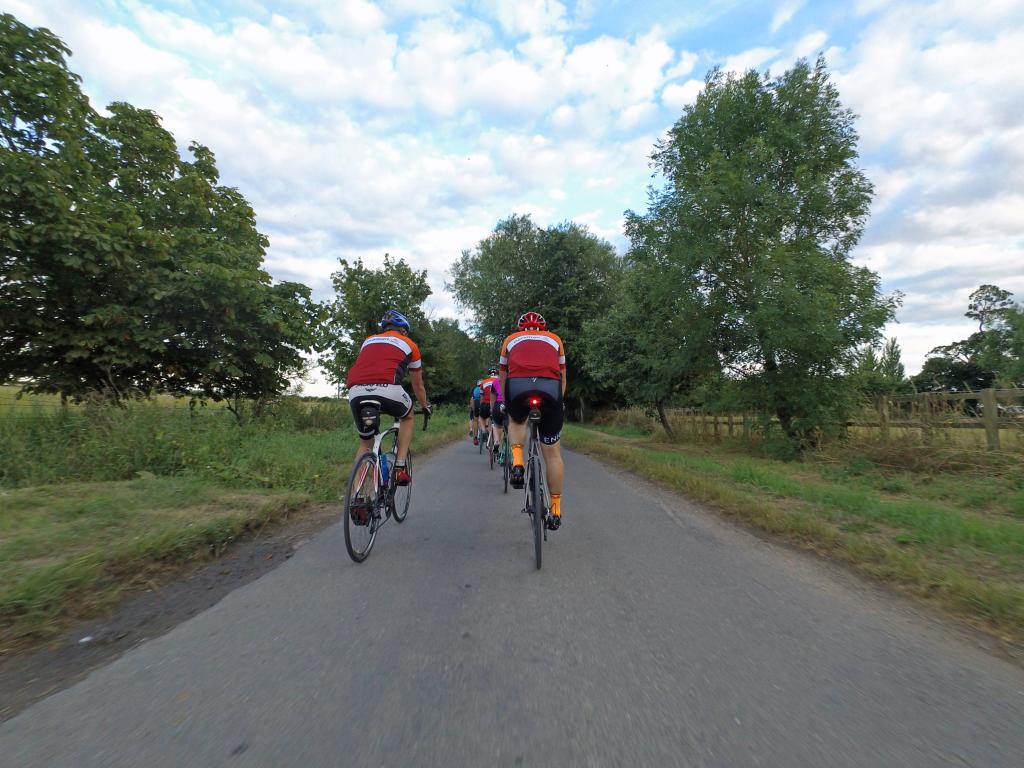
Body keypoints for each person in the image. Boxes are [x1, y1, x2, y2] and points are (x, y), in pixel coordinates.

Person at [346, 310, 431, 486]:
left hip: (355, 391)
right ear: (404, 330)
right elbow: (418, 385)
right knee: (407, 416)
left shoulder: (368, 340)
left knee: (365, 443)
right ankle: (400, 467)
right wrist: (425, 405)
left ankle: (356, 495)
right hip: (388, 389)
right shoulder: (410, 344)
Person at [498, 311, 566, 529]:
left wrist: (507, 401)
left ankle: (518, 463)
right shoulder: (555, 339)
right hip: (550, 387)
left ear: (521, 328)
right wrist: (558, 401)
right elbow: (563, 375)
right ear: (542, 328)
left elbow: (502, 375)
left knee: (517, 421)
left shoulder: (510, 339)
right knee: (553, 454)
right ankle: (555, 511)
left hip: (518, 386)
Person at [480, 366, 505, 460]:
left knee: (494, 423)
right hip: (509, 406)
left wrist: (491, 409)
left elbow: (490, 398)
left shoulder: (487, 382)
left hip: (495, 405)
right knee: (509, 426)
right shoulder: (513, 381)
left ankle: (494, 439)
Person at [469, 378, 483, 444]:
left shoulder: (475, 389)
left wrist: (473, 408)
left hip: (476, 403)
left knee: (475, 421)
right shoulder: (484, 388)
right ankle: (485, 430)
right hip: (483, 403)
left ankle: (475, 438)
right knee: (485, 417)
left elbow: (472, 399)